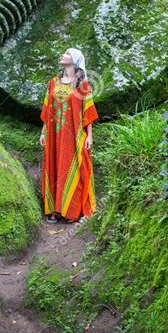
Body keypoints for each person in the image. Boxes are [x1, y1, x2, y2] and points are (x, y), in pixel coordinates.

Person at [40, 48, 98, 223]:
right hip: (53, 135)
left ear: (75, 59)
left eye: (66, 53)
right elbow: (47, 109)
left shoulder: (82, 84)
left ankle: (72, 211)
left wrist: (89, 136)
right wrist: (43, 132)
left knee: (71, 167)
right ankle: (53, 210)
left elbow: (87, 112)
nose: (62, 55)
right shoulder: (53, 83)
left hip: (74, 135)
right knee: (54, 165)